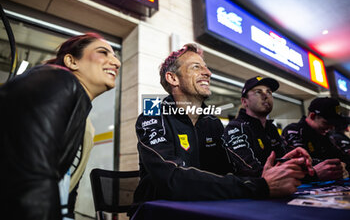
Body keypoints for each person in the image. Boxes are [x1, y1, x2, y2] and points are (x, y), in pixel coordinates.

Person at [131, 44, 313, 214]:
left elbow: (230, 171)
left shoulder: (212, 122)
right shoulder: (152, 115)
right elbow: (172, 179)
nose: (208, 73)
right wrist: (259, 185)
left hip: (205, 208)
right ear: (173, 78)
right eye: (196, 67)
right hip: (159, 212)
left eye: (206, 67)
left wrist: (280, 166)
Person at [0, 33, 121, 220]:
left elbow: (68, 191)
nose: (116, 62)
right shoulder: (57, 79)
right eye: (103, 52)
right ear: (72, 61)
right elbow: (29, 180)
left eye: (115, 55)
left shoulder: (85, 125)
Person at [222, 76, 313, 178]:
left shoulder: (271, 129)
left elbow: (283, 158)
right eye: (258, 92)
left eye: (269, 92)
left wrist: (305, 165)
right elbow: (249, 168)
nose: (266, 95)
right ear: (244, 101)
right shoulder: (236, 128)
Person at [282, 97, 350, 180]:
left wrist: (343, 165)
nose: (331, 127)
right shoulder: (294, 131)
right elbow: (300, 161)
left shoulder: (327, 136)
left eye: (334, 124)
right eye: (327, 123)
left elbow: (341, 157)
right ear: (312, 115)